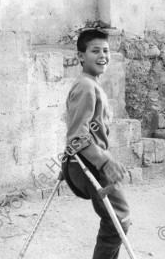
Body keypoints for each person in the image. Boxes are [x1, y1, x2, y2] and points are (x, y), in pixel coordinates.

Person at [61, 29, 130, 259]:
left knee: (118, 220)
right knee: (118, 219)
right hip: (87, 163)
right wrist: (105, 161)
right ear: (81, 56)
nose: (102, 55)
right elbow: (77, 137)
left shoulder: (92, 83)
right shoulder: (85, 86)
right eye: (95, 50)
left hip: (90, 161)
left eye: (106, 50)